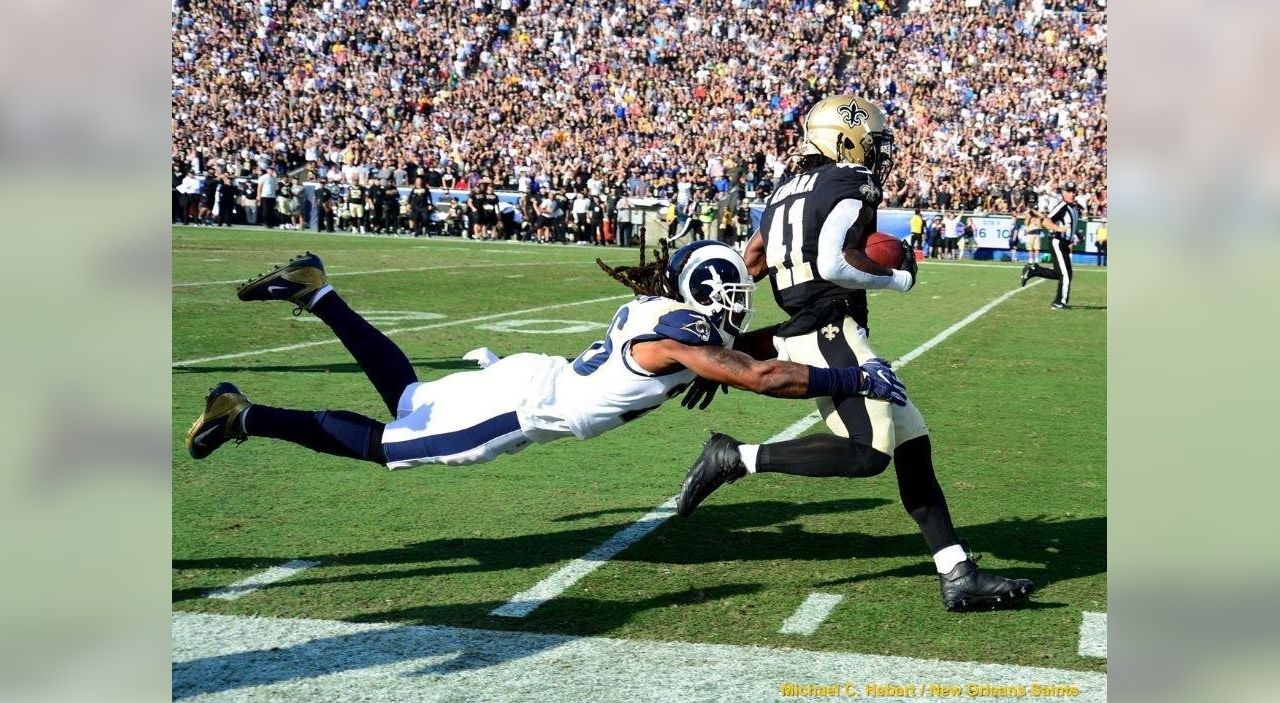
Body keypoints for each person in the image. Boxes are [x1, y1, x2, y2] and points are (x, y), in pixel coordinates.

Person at [677, 95, 1034, 612]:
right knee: (868, 454)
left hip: (807, 323)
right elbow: (832, 264)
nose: (878, 152)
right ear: (845, 137)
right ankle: (737, 457)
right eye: (872, 140)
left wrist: (727, 337)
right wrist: (898, 277)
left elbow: (751, 259)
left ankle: (957, 571)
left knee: (914, 444)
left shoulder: (783, 192)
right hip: (829, 328)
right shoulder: (850, 181)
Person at [186, 241, 907, 474]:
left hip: (534, 374)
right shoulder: (678, 333)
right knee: (389, 445)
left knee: (408, 399)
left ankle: (319, 294)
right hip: (527, 406)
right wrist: (851, 374)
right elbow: (758, 372)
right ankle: (245, 414)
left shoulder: (671, 311)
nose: (738, 305)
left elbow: (732, 310)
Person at [1021, 181, 1082, 309]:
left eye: (1073, 191)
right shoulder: (1062, 206)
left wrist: (1078, 235)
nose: (1072, 194)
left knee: (1063, 273)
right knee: (1065, 274)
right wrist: (1058, 229)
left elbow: (1071, 225)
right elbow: (1046, 221)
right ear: (1064, 193)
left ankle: (1033, 270)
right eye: (1069, 191)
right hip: (1058, 241)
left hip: (1065, 243)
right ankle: (1059, 302)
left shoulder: (1073, 207)